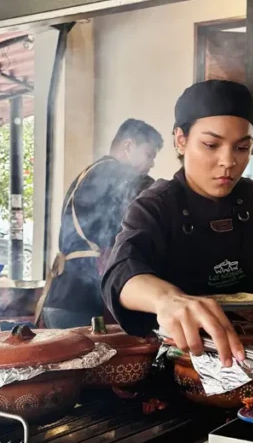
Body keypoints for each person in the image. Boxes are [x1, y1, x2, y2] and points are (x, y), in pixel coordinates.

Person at [101, 80, 253, 366]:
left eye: (242, 147)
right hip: (181, 364)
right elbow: (122, 275)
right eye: (211, 145)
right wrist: (168, 299)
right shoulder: (157, 204)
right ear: (181, 140)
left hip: (251, 356)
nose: (228, 161)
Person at [39, 119, 164, 329]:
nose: (151, 164)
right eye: (149, 154)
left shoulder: (93, 174)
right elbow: (153, 193)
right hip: (77, 301)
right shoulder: (111, 172)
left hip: (66, 297)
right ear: (128, 146)